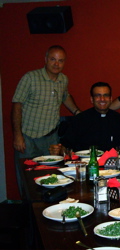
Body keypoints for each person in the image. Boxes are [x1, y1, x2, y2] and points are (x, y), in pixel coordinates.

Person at [12, 45, 80, 193]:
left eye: (60, 61)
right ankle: (28, 213)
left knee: (51, 178)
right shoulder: (30, 78)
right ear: (45, 59)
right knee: (28, 179)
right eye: (53, 59)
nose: (56, 64)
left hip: (51, 139)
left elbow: (65, 97)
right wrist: (18, 135)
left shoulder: (63, 79)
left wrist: (77, 112)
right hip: (28, 138)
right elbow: (17, 105)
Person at [57, 82, 120, 152]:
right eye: (98, 96)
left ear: (110, 99)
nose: (102, 99)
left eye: (106, 95)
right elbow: (66, 146)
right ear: (92, 99)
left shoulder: (119, 120)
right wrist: (59, 150)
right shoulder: (80, 120)